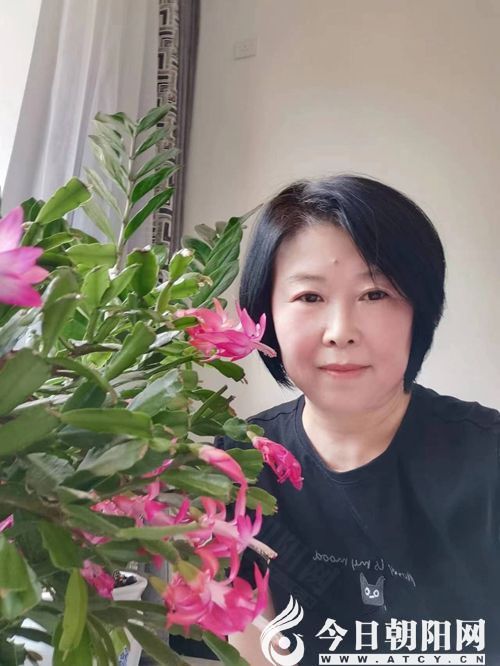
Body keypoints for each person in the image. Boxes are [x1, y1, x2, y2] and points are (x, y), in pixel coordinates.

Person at [215, 175, 500, 665]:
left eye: (375, 294)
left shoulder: (488, 462)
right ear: (266, 315)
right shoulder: (233, 466)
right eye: (310, 297)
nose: (340, 331)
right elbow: (246, 643)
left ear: (419, 311)